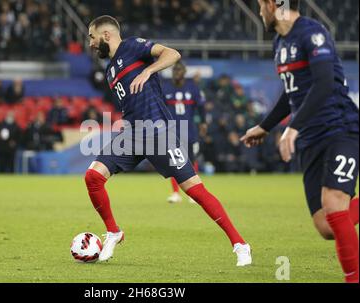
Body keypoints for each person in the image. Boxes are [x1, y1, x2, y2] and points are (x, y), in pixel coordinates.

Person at [85, 15, 252, 265]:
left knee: (194, 189)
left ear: (106, 35)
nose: (90, 43)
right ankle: (113, 231)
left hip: (157, 131)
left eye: (92, 37)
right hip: (132, 133)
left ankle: (240, 244)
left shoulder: (132, 46)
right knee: (93, 177)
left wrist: (148, 70)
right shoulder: (110, 71)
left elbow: (172, 54)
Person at [241, 0, 359, 283]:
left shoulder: (312, 33)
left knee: (333, 204)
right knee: (326, 226)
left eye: (260, 5)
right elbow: (290, 93)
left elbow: (324, 83)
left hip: (339, 128)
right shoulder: (279, 44)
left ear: (274, 3)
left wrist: (292, 127)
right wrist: (265, 127)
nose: (259, 12)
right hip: (311, 137)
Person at [162, 61, 206, 204]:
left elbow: (201, 106)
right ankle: (175, 193)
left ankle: (194, 193)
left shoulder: (192, 87)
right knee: (174, 162)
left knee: (192, 161)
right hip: (172, 131)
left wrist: (203, 123)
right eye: (175, 70)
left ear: (185, 72)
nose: (177, 72)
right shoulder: (166, 87)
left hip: (189, 130)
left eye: (180, 70)